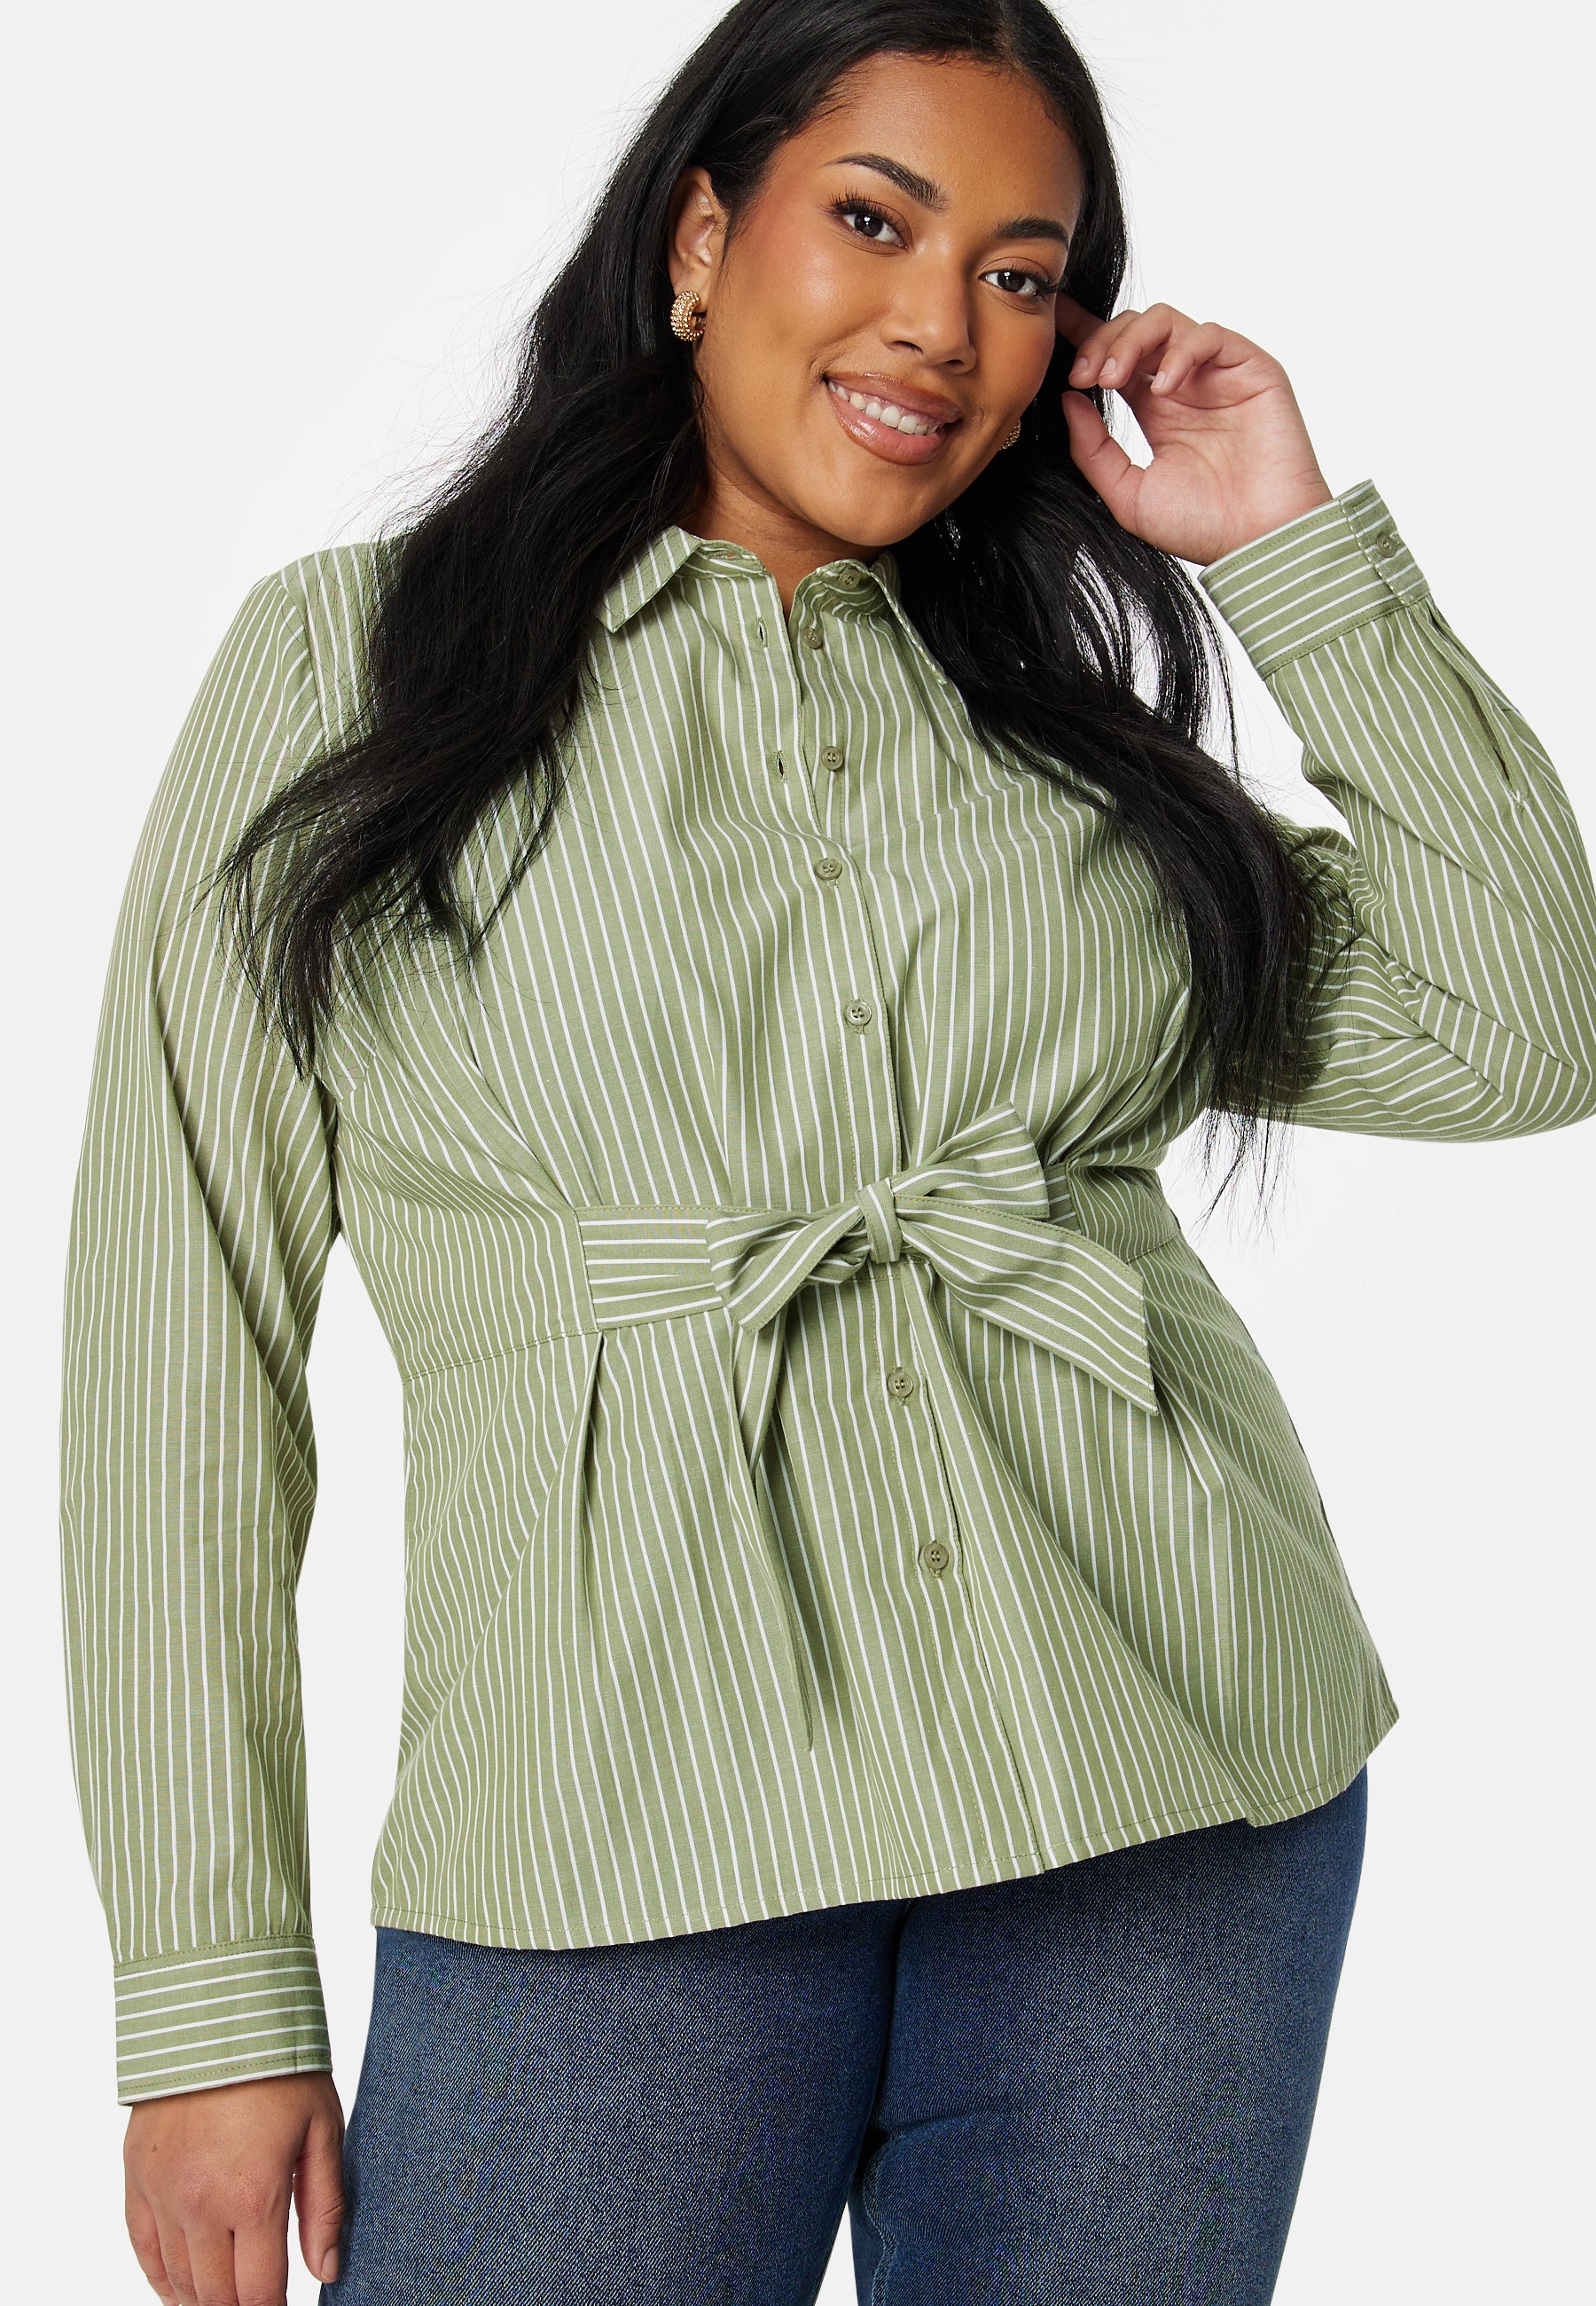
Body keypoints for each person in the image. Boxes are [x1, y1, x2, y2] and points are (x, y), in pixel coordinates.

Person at [59, 1, 1596, 2301]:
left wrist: (1287, 551)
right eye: (874, 223)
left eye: (1018, 273)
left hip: (1173, 1798)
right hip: (610, 1838)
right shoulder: (351, 673)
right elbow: (180, 1341)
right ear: (701, 239)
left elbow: (1527, 1022)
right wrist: (211, 1995)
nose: (941, 326)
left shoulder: (1061, 745)